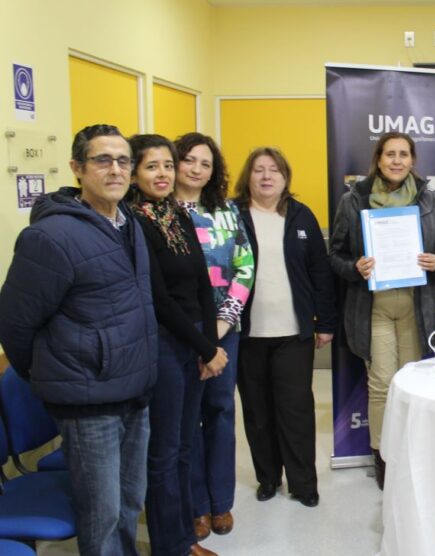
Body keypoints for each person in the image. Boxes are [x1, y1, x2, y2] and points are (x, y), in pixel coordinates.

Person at [0, 124, 157, 556]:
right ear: (77, 168)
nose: (116, 169)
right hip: (88, 402)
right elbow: (14, 323)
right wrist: (54, 374)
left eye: (123, 160)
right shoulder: (50, 237)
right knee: (101, 515)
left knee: (128, 503)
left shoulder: (128, 223)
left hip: (135, 392)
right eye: (102, 160)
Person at [329, 132, 435, 490]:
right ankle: (383, 457)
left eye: (403, 154)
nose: (397, 161)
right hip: (374, 308)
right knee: (382, 384)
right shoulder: (354, 200)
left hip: (416, 306)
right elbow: (335, 254)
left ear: (412, 160)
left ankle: (412, 453)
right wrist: (355, 267)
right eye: (390, 154)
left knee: (412, 383)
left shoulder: (429, 200)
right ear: (378, 160)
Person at [127, 134, 227, 556]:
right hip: (165, 346)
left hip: (194, 341)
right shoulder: (134, 222)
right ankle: (170, 547)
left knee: (186, 445)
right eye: (152, 166)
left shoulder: (175, 214)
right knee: (165, 453)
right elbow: (160, 299)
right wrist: (206, 348)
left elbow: (203, 282)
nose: (163, 174)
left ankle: (185, 537)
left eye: (168, 165)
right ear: (134, 172)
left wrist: (208, 345)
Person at [233, 147, 338, 508]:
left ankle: (303, 483)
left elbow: (320, 273)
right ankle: (267, 478)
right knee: (257, 412)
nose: (266, 176)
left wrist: (325, 322)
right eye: (259, 170)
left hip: (294, 333)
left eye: (274, 170)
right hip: (246, 334)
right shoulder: (232, 216)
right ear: (248, 176)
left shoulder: (301, 215)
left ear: (285, 177)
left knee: (296, 411)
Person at [172, 132, 255, 541]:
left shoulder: (226, 211)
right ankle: (196, 507)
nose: (196, 169)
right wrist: (198, 336)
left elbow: (245, 266)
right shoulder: (160, 213)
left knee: (220, 412)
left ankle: (221, 502)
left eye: (205, 164)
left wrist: (220, 326)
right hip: (178, 333)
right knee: (185, 420)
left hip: (224, 331)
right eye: (189, 160)